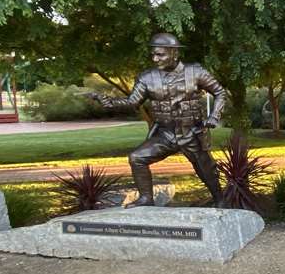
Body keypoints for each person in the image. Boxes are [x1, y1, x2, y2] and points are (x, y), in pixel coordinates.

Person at [93, 33, 227, 208]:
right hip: (165, 134)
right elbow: (133, 102)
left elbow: (219, 92)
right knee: (137, 158)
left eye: (160, 54)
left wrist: (214, 116)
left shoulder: (196, 72)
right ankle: (146, 198)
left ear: (174, 53)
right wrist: (109, 102)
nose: (155, 58)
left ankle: (220, 200)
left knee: (206, 170)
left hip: (191, 132)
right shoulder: (147, 77)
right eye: (153, 54)